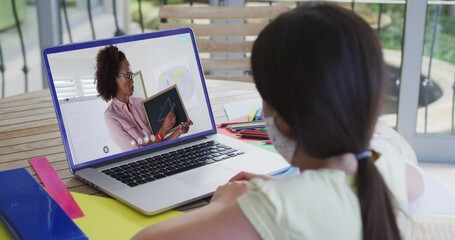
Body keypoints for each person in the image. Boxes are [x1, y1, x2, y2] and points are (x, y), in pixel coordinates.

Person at [133, 5, 423, 240]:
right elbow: (415, 186)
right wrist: (291, 189)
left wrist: (225, 205)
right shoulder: (387, 163)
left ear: (282, 120)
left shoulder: (273, 209)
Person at [95, 46, 193, 151]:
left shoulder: (140, 102)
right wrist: (163, 129)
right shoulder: (111, 116)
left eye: (131, 75)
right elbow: (137, 153)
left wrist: (178, 131)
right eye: (128, 75)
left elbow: (159, 143)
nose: (132, 80)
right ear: (114, 78)